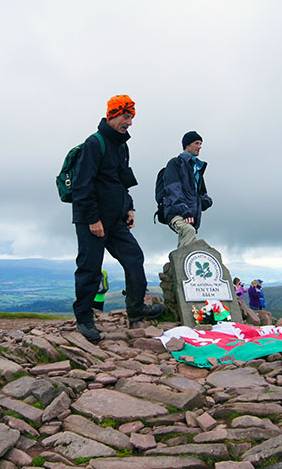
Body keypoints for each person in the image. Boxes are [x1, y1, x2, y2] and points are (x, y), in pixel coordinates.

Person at [71, 95, 164, 342]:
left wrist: (129, 209)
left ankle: (136, 309)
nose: (130, 122)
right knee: (90, 268)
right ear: (113, 115)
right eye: (126, 116)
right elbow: (82, 185)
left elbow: (122, 183)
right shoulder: (95, 143)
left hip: (115, 219)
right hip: (91, 220)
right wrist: (92, 219)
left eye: (131, 117)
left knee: (134, 257)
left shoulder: (122, 145)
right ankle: (84, 317)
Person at [161, 131, 213, 247]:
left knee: (187, 242)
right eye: (197, 143)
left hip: (192, 216)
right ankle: (182, 265)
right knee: (188, 231)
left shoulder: (197, 168)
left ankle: (175, 265)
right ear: (187, 145)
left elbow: (203, 192)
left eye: (200, 144)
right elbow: (173, 189)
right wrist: (184, 210)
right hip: (175, 212)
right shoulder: (175, 163)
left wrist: (206, 201)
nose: (199, 147)